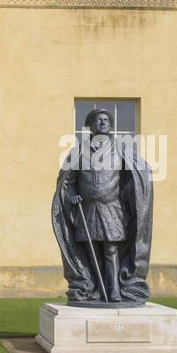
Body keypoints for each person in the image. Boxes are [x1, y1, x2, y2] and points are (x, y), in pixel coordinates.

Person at [52, 108, 153, 305]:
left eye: (106, 120)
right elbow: (67, 181)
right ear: (91, 125)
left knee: (111, 249)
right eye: (98, 120)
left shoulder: (122, 149)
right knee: (92, 250)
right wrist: (72, 195)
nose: (103, 123)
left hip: (111, 209)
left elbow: (137, 172)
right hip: (88, 209)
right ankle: (97, 289)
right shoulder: (78, 151)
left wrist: (133, 188)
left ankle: (114, 289)